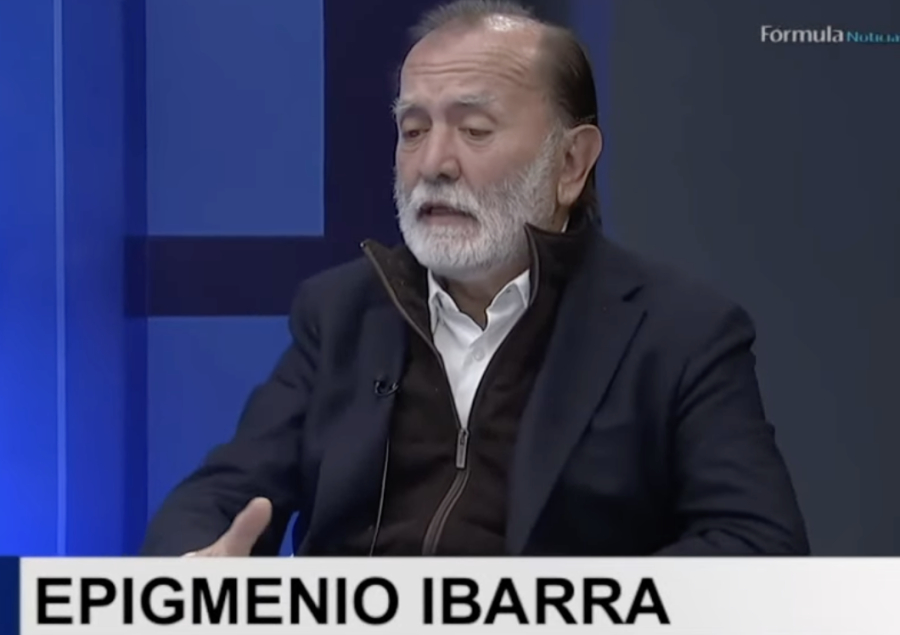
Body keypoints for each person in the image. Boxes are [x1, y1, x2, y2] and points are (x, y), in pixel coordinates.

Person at [141, 0, 809, 557]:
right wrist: (199, 563)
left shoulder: (677, 332)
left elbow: (757, 544)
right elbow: (218, 496)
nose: (433, 163)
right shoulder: (342, 312)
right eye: (413, 130)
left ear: (571, 163)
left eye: (475, 130)